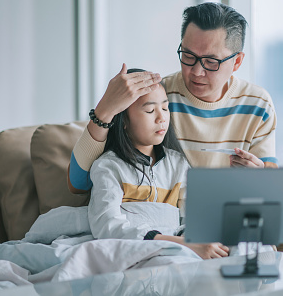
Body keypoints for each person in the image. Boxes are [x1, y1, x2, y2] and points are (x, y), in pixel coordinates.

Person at [68, 2, 283, 264]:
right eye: (188, 56)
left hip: (236, 223)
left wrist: (258, 176)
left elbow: (268, 196)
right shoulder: (160, 98)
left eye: (211, 61)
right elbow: (79, 183)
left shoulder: (258, 105)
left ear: (237, 62)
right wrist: (104, 110)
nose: (196, 71)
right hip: (180, 227)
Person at [88, 68, 230, 259]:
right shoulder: (109, 167)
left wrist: (193, 240)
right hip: (131, 251)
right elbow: (106, 225)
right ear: (124, 121)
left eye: (165, 108)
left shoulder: (178, 164)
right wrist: (181, 244)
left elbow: (192, 218)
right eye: (149, 110)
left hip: (180, 249)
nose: (161, 118)